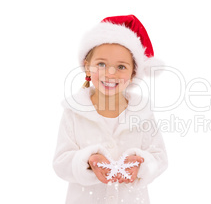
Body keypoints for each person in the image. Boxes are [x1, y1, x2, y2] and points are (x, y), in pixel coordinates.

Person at [53, 14, 168, 204]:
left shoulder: (142, 113)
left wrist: (141, 166)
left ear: (133, 73)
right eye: (101, 64)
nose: (111, 73)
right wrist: (88, 161)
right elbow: (61, 162)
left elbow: (160, 158)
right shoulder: (74, 111)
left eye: (121, 66)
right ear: (87, 67)